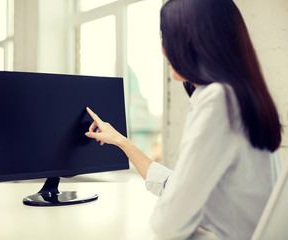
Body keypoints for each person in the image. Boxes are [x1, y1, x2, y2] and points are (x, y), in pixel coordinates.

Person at [85, 0, 282, 239]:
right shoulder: (242, 94)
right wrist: (121, 141)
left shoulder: (218, 101)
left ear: (189, 37)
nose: (163, 49)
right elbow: (179, 185)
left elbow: (169, 224)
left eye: (165, 36)